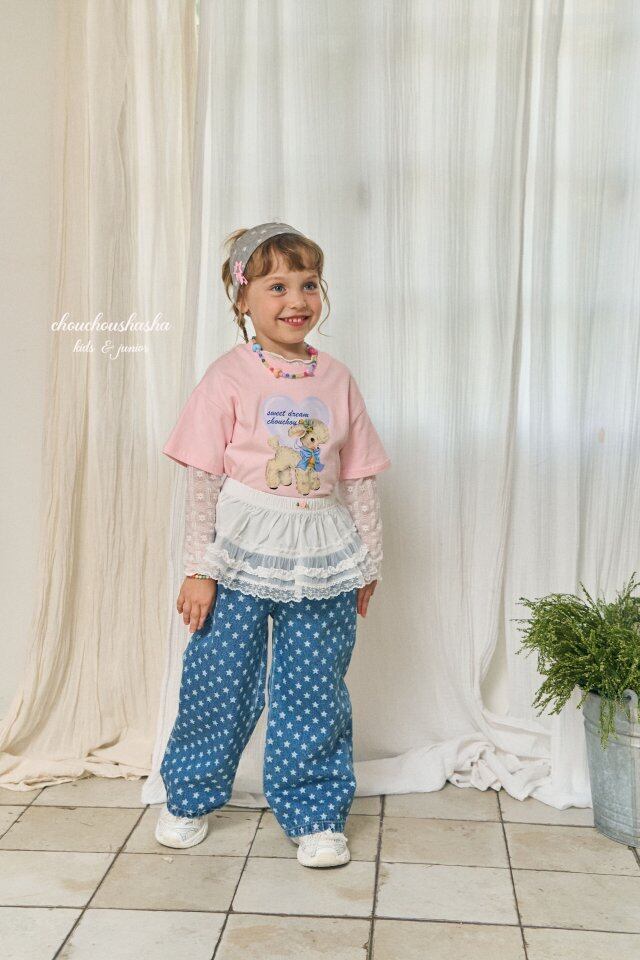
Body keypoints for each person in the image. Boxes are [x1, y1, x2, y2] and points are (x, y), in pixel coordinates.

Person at [155, 221, 391, 868]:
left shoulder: (336, 379)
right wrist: (199, 568)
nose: (297, 300)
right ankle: (190, 796)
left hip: (322, 555)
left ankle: (314, 812)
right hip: (238, 553)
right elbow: (203, 480)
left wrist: (367, 562)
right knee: (219, 680)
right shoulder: (228, 376)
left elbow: (359, 477)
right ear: (243, 299)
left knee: (314, 685)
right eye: (277, 286)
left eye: (308, 284)